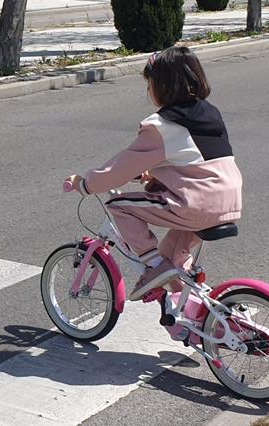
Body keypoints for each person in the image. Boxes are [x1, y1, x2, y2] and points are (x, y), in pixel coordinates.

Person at [66, 46, 242, 301]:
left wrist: (85, 184)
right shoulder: (209, 113)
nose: (149, 92)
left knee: (119, 206)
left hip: (197, 204)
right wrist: (158, 176)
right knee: (172, 256)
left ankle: (154, 268)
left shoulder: (160, 126)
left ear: (162, 86)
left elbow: (120, 169)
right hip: (229, 201)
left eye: (149, 85)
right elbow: (196, 161)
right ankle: (189, 308)